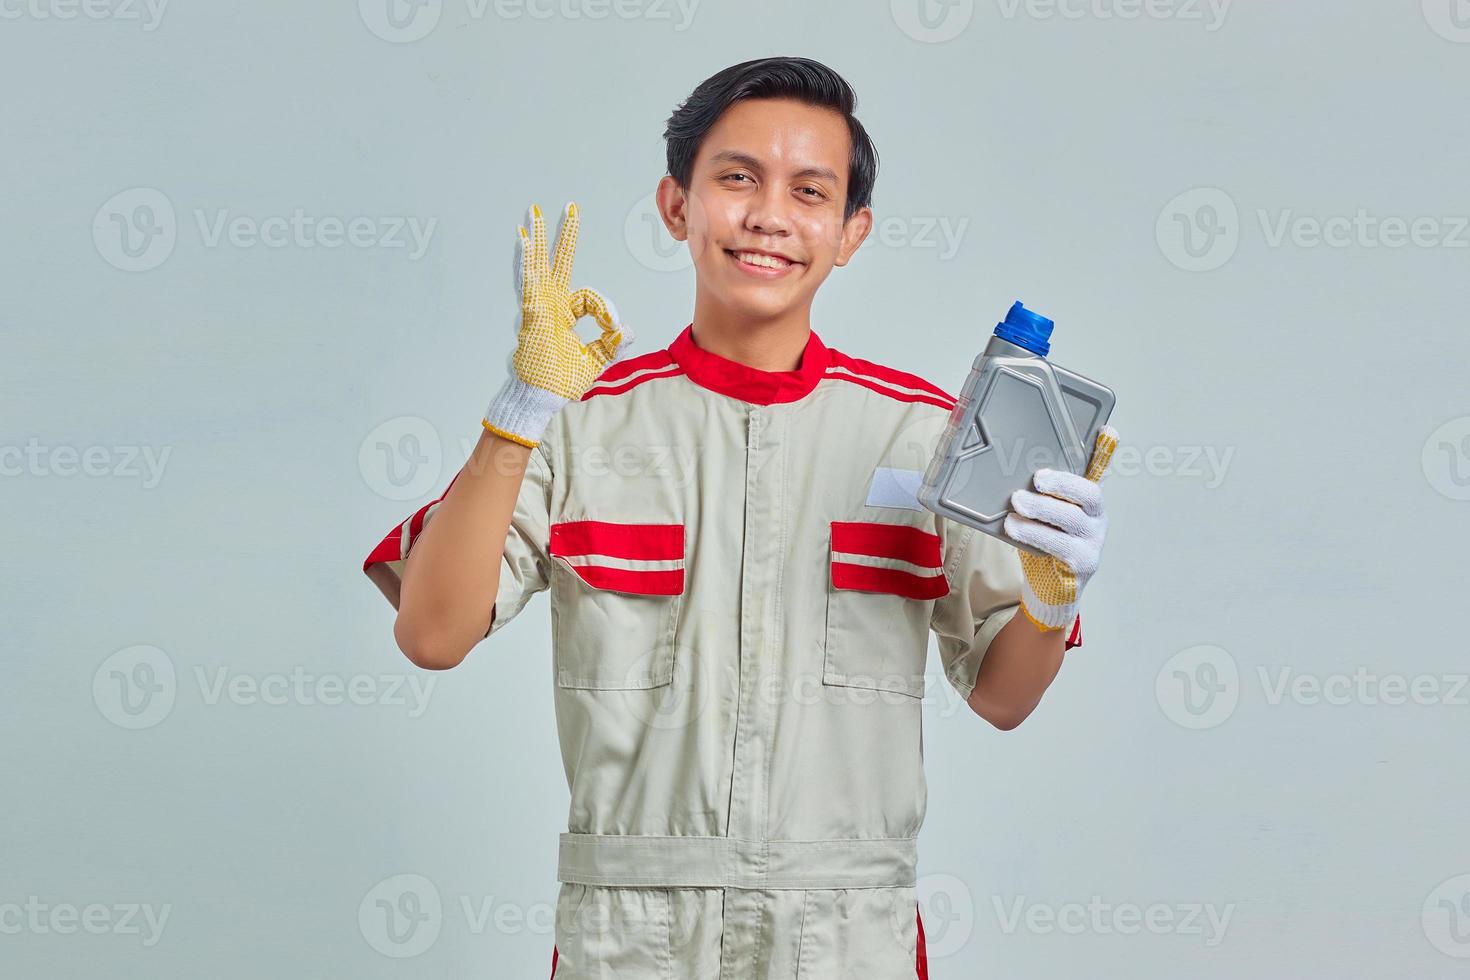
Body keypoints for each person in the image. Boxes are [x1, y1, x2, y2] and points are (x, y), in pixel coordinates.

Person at [363, 56, 1118, 980]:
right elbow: (432, 634)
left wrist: (1052, 595)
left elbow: (1003, 698)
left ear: (850, 232)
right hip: (632, 939)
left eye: (810, 192)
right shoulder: (580, 421)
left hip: (848, 938)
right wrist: (521, 411)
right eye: (736, 178)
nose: (769, 215)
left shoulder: (925, 438)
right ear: (677, 205)